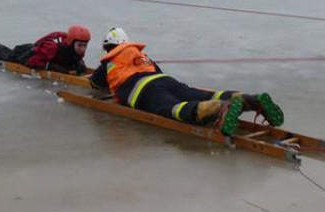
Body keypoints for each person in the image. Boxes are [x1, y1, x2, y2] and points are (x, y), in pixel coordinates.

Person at [89, 27, 284, 136]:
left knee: (171, 109)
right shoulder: (142, 55)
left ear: (108, 47)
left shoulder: (109, 61)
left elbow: (96, 84)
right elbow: (158, 72)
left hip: (142, 91)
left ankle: (219, 109)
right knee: (198, 94)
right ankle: (249, 99)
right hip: (164, 80)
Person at [0, 25, 91, 74]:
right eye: (80, 45)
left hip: (31, 50)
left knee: (3, 51)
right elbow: (31, 63)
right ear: (70, 42)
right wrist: (52, 67)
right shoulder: (52, 47)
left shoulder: (70, 47)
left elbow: (72, 58)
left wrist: (79, 64)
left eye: (85, 45)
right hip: (25, 55)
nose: (82, 49)